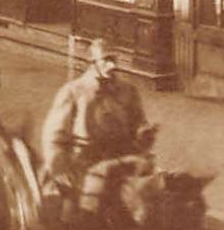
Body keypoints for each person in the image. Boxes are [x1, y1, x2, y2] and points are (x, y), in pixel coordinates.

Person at [38, 39, 156, 216]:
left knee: (150, 203)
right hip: (84, 164)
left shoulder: (128, 91)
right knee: (75, 217)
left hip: (122, 158)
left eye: (114, 60)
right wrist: (60, 169)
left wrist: (144, 133)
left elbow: (139, 122)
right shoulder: (73, 92)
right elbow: (53, 137)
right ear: (92, 63)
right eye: (106, 60)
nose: (111, 65)